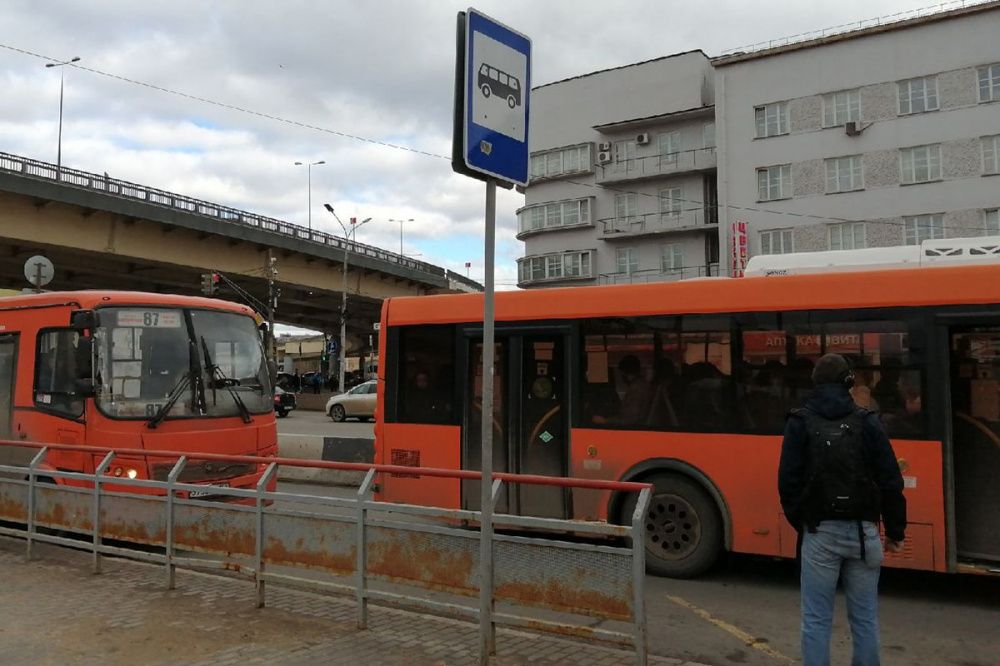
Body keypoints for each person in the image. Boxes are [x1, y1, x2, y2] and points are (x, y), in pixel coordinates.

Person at [778, 353, 906, 666]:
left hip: (819, 532)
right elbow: (891, 480)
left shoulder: (799, 422)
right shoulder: (868, 421)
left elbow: (787, 484)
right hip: (864, 533)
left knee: (816, 620)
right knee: (864, 620)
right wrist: (895, 531)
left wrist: (806, 523)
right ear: (849, 382)